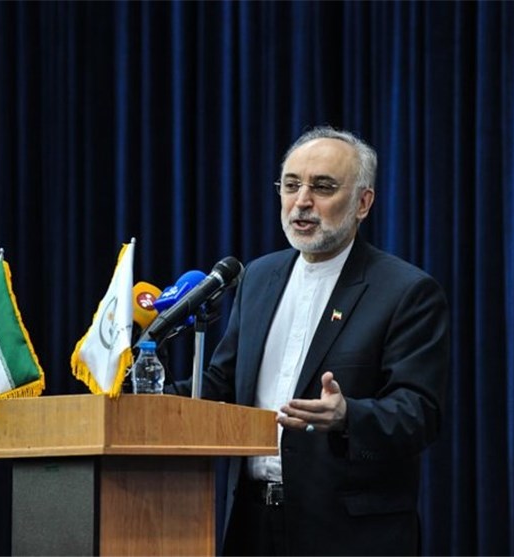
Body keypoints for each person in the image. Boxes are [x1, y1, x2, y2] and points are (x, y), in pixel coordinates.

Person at [170, 126, 450, 556]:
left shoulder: (405, 291)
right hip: (250, 524)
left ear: (363, 203)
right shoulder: (258, 277)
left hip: (348, 535)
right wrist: (143, 394)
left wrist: (347, 415)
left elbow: (419, 413)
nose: (302, 201)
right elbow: (220, 386)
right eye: (291, 185)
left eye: (322, 187)